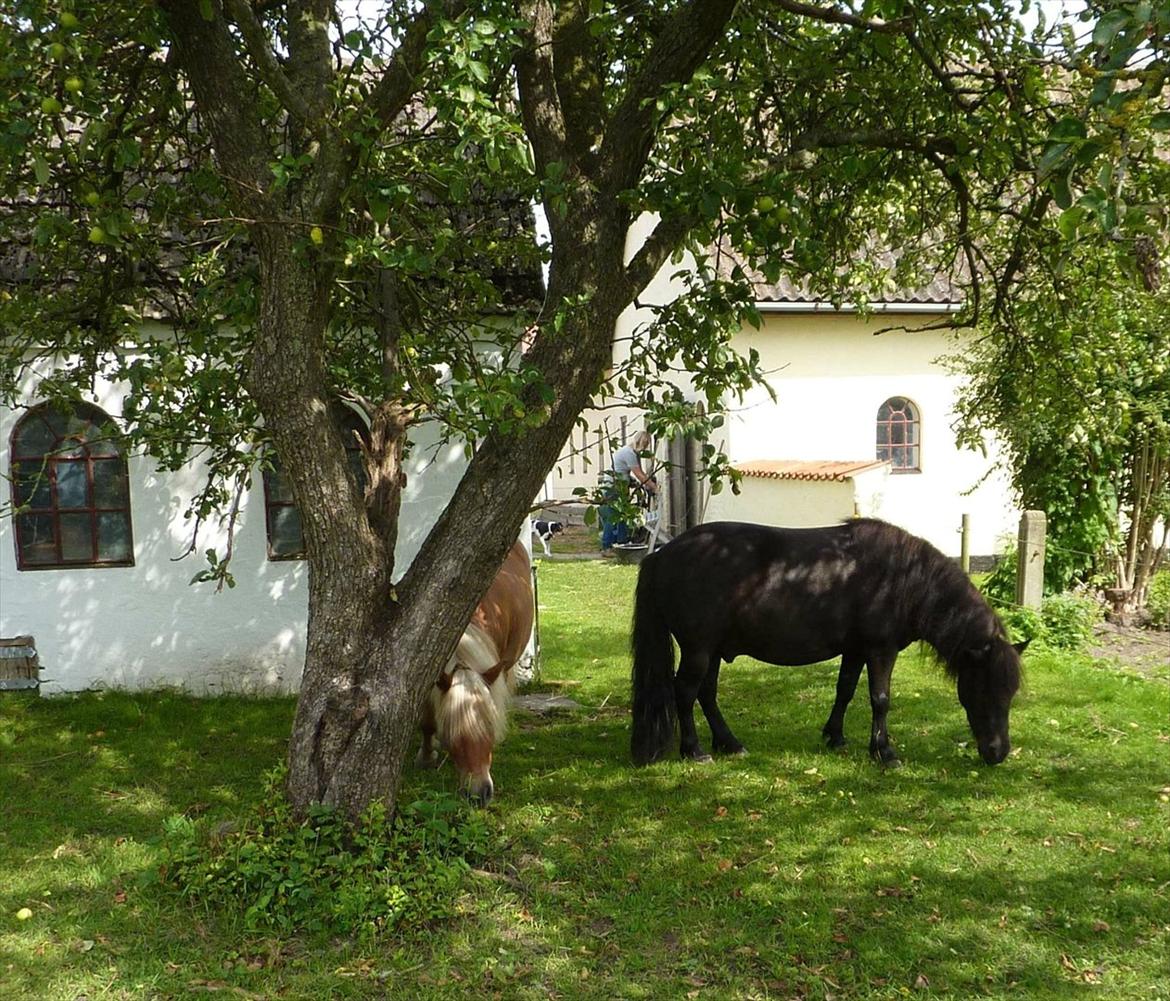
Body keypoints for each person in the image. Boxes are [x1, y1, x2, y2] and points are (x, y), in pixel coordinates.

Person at [600, 431, 658, 552]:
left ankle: (622, 542)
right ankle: (606, 547)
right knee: (613, 517)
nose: (645, 448)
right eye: (645, 445)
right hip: (614, 487)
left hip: (621, 486)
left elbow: (638, 473)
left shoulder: (634, 453)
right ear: (640, 442)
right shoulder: (629, 453)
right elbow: (640, 475)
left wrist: (639, 483)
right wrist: (654, 487)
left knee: (623, 516)